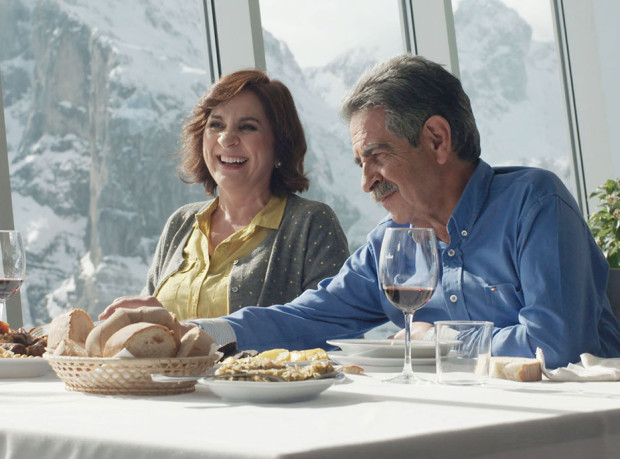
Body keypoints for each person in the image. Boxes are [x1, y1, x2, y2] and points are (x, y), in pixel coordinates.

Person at [104, 55, 620, 369]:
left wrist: (440, 339)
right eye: (359, 161)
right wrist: (196, 329)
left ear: (436, 138)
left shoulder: (534, 204)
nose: (366, 180)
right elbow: (308, 317)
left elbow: (558, 345)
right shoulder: (390, 243)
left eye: (377, 156)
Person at [100, 69, 349, 322]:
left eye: (248, 127)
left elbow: (334, 326)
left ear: (279, 144)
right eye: (216, 125)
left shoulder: (311, 223)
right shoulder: (181, 222)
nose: (227, 138)